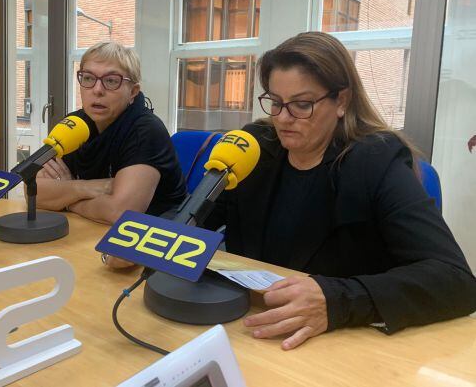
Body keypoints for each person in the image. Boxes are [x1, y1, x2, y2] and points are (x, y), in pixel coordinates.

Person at [204, 32, 476, 350]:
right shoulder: (256, 146)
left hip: (342, 342)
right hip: (250, 326)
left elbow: (455, 280)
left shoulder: (375, 160)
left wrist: (337, 300)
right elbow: (196, 218)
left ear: (342, 101)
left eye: (302, 105)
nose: (282, 119)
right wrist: (140, 240)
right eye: (275, 103)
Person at [36, 42, 187, 267]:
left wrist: (66, 198)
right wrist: (88, 187)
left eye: (111, 81)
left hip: (149, 246)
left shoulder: (146, 130)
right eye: (88, 78)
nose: (97, 90)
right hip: (88, 231)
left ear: (133, 92)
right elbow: (34, 192)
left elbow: (121, 212)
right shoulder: (75, 124)